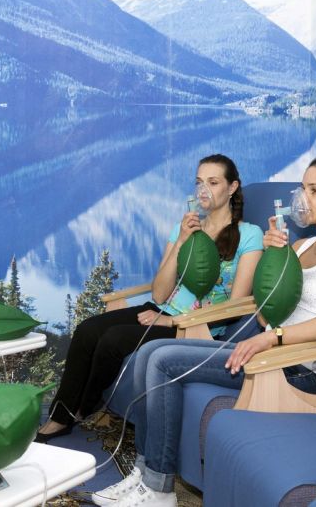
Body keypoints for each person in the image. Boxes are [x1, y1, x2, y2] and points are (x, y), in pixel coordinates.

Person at [95, 154, 316, 506]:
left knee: (163, 361)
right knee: (150, 352)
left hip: (298, 369)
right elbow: (269, 302)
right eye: (302, 188)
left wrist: (272, 337)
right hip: (269, 351)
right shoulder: (300, 246)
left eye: (314, 190)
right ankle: (146, 472)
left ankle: (158, 489)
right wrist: (274, 256)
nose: (302, 199)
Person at [36, 154, 264, 442]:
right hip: (158, 309)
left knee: (113, 340)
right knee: (86, 330)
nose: (203, 190)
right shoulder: (185, 229)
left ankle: (84, 408)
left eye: (213, 182)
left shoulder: (249, 235)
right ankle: (60, 416)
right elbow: (159, 293)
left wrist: (173, 322)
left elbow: (235, 306)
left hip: (196, 326)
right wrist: (181, 241)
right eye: (199, 182)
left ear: (232, 188)